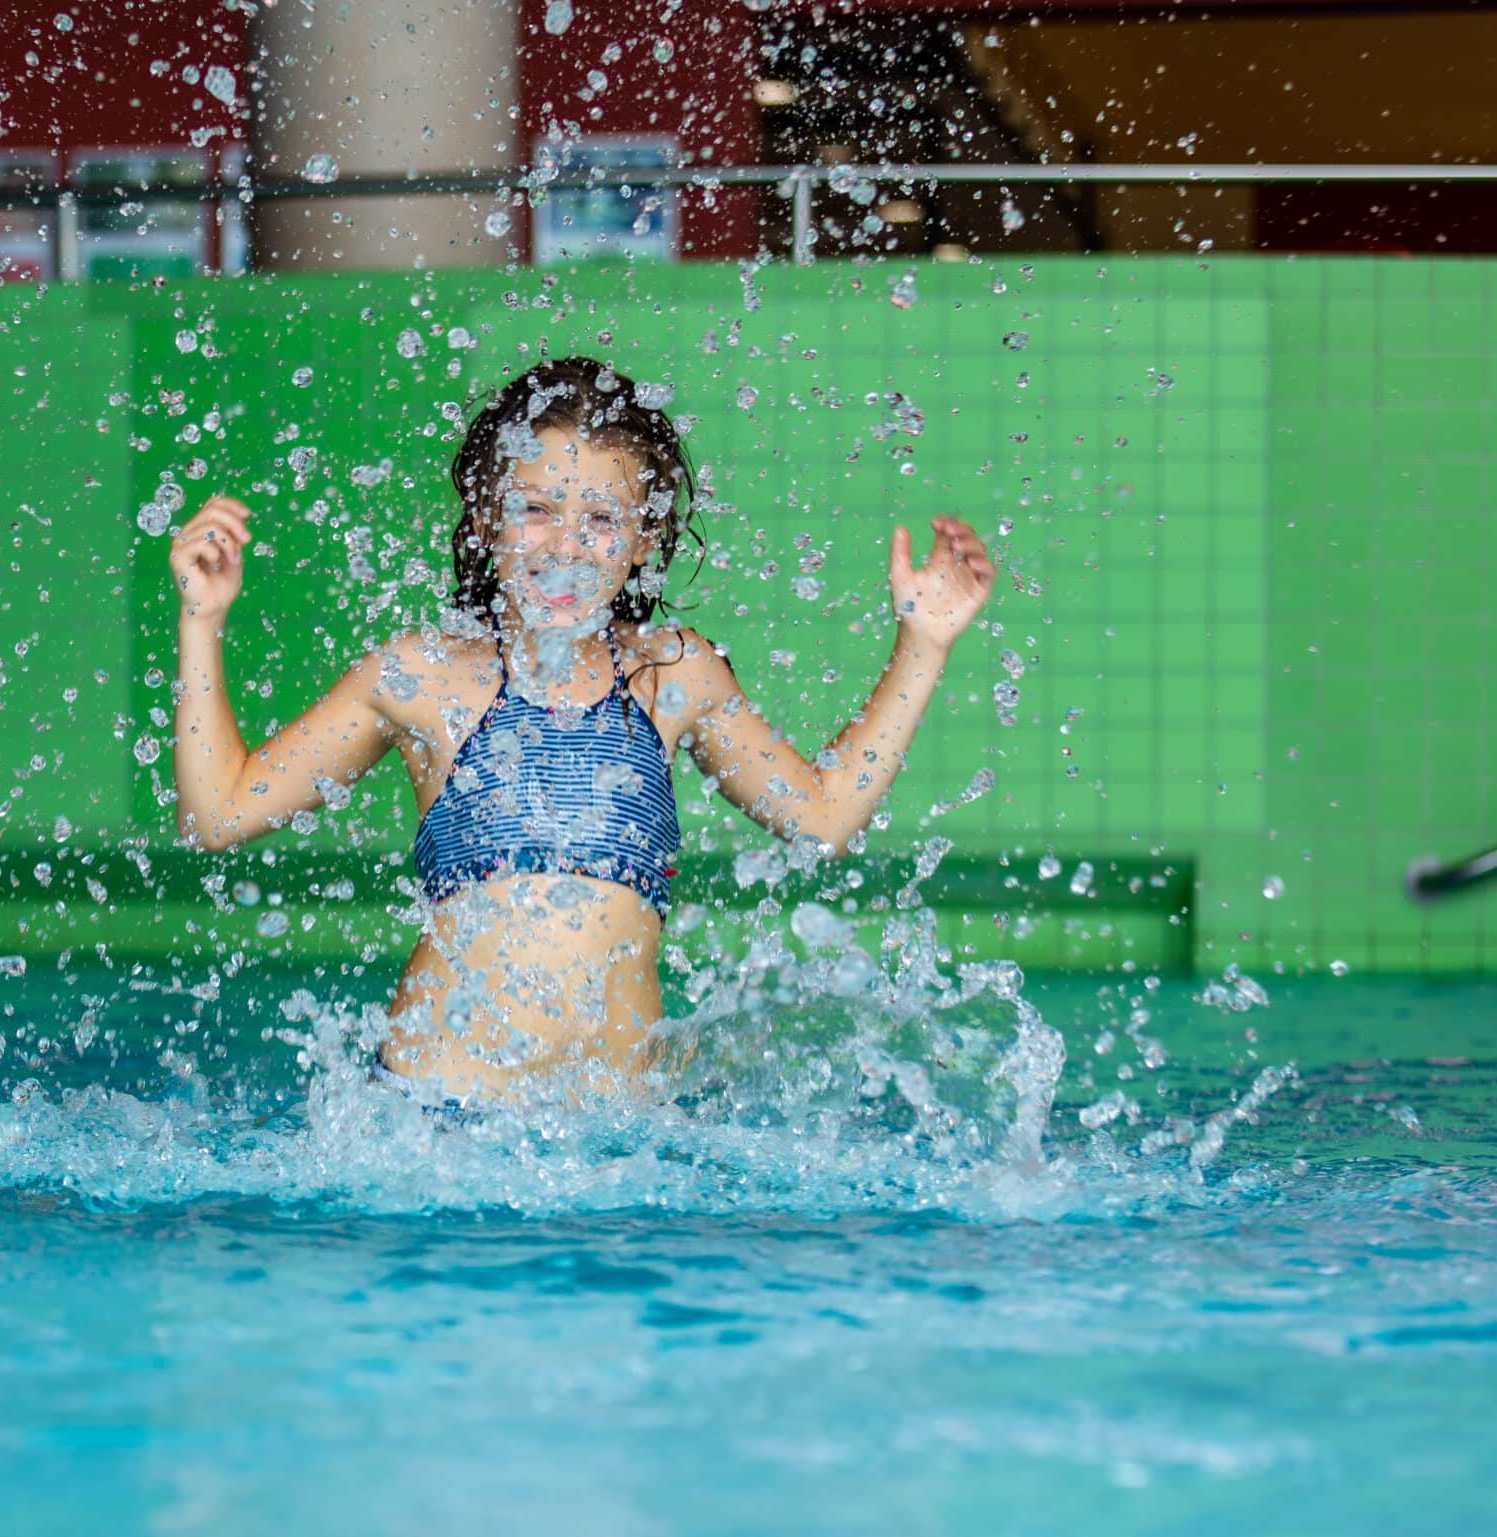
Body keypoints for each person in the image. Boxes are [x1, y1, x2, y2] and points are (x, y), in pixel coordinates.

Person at [166, 354, 997, 1107]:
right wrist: (202, 621)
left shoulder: (674, 677)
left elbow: (823, 817)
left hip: (613, 1136)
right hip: (436, 1118)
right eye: (534, 509)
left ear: (643, 542)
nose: (566, 545)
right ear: (488, 520)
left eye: (601, 520)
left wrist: (921, 644)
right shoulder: (420, 678)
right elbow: (220, 813)